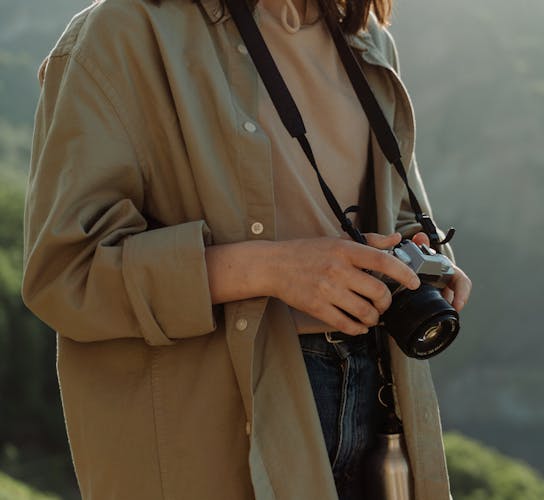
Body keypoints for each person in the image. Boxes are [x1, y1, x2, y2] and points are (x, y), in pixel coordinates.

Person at [22, 0, 471, 498]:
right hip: (223, 415)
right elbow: (68, 273)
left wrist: (420, 254)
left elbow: (392, 203)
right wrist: (271, 269)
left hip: (380, 395)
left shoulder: (363, 35)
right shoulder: (122, 32)